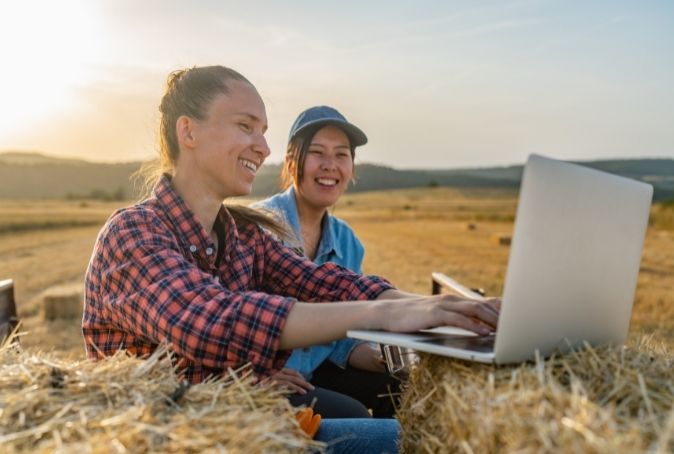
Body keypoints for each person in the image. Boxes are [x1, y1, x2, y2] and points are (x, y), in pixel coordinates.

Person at [82, 65, 499, 453]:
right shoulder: (133, 234)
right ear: (188, 132)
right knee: (411, 442)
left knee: (426, 432)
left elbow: (325, 283)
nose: (263, 147)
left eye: (263, 131)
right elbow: (212, 321)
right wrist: (384, 316)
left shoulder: (242, 234)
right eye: (246, 127)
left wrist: (435, 307)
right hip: (172, 437)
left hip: (242, 422)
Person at [254, 106, 400, 418]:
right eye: (317, 153)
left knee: (397, 383)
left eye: (341, 155)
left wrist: (382, 357)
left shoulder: (348, 242)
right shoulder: (260, 227)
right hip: (270, 376)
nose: (330, 166)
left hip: (314, 370)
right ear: (292, 161)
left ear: (351, 167)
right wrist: (252, 375)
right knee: (354, 416)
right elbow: (229, 319)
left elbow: (340, 343)